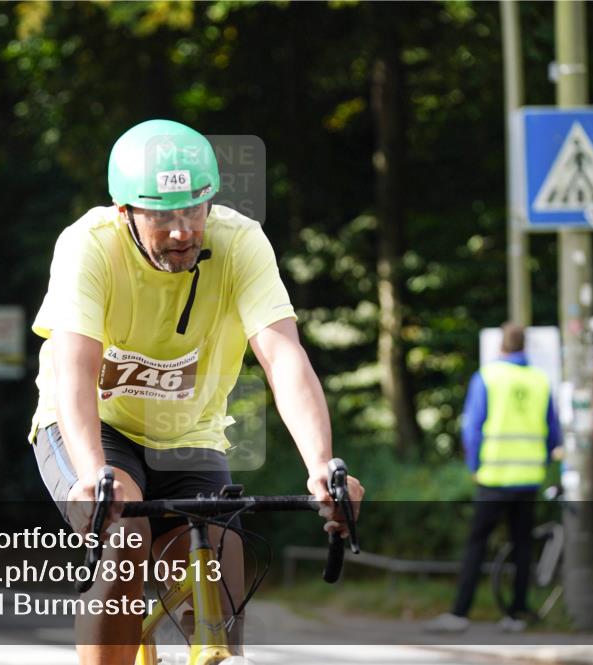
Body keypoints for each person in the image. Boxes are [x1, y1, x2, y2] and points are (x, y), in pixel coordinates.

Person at [28, 118, 364, 665]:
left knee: (222, 591)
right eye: (162, 215)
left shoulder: (241, 243)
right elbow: (75, 368)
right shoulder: (87, 246)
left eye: (193, 211)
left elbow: (282, 355)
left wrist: (323, 468)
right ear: (125, 213)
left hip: (190, 433)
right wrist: (93, 476)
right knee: (125, 541)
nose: (182, 230)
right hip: (95, 426)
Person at [426, 322, 560, 633]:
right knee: (523, 547)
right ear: (525, 346)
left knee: (476, 545)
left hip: (493, 477)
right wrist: (541, 459)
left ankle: (460, 613)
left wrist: (474, 466)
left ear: (502, 345)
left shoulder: (487, 377)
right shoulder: (540, 381)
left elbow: (471, 429)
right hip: (528, 478)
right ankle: (516, 615)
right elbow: (553, 434)